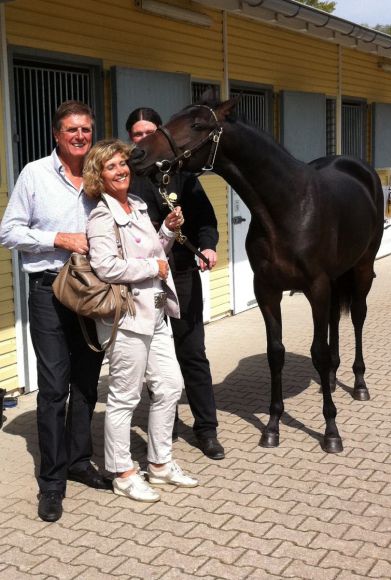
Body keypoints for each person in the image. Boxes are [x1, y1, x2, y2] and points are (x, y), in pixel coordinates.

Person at [0, 101, 111, 523]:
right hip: (49, 292)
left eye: (86, 129)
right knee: (52, 389)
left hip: (93, 293)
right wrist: (57, 238)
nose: (80, 136)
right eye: (72, 130)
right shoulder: (34, 173)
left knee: (86, 383)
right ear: (56, 134)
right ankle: (51, 482)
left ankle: (79, 462)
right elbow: (8, 231)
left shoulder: (99, 174)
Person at [84, 138, 198, 502]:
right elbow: (105, 266)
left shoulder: (135, 204)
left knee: (169, 386)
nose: (121, 171)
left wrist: (165, 230)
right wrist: (152, 266)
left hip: (157, 312)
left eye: (123, 164)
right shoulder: (102, 215)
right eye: (111, 166)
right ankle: (123, 472)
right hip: (127, 318)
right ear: (98, 176)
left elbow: (155, 251)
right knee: (124, 398)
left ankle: (161, 464)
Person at [126, 107, 225, 460]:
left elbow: (206, 220)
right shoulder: (124, 175)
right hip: (140, 283)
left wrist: (209, 245)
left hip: (181, 276)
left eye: (148, 132)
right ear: (130, 138)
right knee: (153, 359)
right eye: (136, 134)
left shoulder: (182, 173)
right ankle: (163, 428)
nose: (142, 139)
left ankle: (206, 429)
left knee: (192, 353)